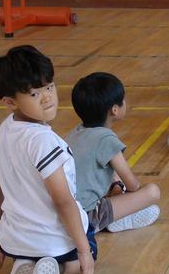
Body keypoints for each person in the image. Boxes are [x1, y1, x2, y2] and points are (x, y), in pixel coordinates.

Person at [0, 46, 94, 274]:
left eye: (49, 87)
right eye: (34, 93)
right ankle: (55, 267)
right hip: (53, 241)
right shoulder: (44, 142)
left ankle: (24, 264)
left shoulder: (6, 129)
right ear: (10, 101)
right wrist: (84, 250)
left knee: (31, 247)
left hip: (15, 240)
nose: (47, 98)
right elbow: (63, 200)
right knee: (89, 248)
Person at [66, 72, 162, 233]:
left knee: (112, 174)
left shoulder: (75, 133)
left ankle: (115, 211)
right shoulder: (106, 139)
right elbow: (133, 185)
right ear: (115, 110)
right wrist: (126, 196)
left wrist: (116, 186)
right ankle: (115, 218)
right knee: (152, 192)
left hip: (66, 212)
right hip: (85, 217)